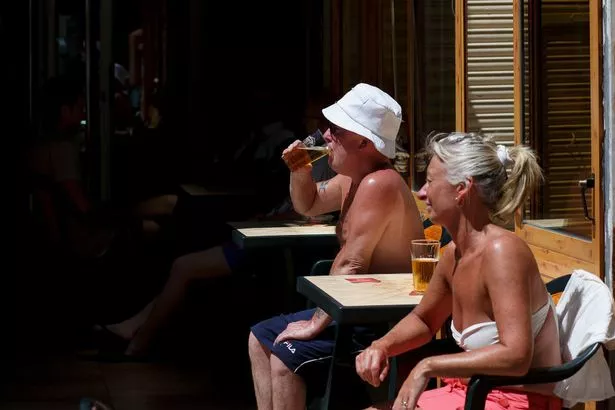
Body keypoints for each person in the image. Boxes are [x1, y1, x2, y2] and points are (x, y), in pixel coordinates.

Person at [247, 83, 425, 410]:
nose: (325, 135)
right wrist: (300, 171)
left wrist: (314, 324)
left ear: (362, 141)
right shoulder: (354, 178)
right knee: (260, 337)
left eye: (336, 129)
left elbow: (350, 265)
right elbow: (309, 204)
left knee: (285, 356)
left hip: (378, 322)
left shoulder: (379, 183)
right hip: (353, 310)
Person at [355, 132, 562, 410]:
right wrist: (381, 345)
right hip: (470, 394)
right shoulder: (454, 253)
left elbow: (516, 356)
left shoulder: (503, 252)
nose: (421, 192)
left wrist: (426, 367)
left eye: (429, 181)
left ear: (462, 189)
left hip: (516, 401)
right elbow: (425, 320)